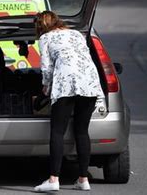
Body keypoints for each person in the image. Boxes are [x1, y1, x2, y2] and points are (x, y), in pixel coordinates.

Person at [33, 11, 104, 192]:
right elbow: (85, 56)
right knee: (81, 131)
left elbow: (47, 67)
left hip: (66, 82)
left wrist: (45, 87)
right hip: (89, 81)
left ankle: (53, 179)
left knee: (57, 131)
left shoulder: (46, 38)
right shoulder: (76, 34)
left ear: (41, 27)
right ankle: (83, 179)